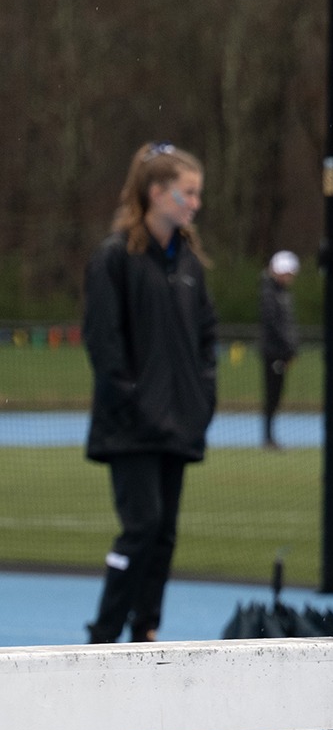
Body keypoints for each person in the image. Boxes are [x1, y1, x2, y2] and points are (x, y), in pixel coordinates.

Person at [81, 142, 218, 643]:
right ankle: (104, 632)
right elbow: (103, 342)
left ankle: (146, 628)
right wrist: (134, 400)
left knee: (163, 536)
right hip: (132, 426)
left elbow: (206, 339)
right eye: (188, 193)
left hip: (178, 424)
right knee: (141, 527)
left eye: (197, 194)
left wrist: (202, 400)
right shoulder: (114, 259)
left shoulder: (190, 265)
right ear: (157, 193)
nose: (194, 203)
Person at [258, 250, 299, 450]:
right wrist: (288, 345)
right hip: (273, 352)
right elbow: (274, 324)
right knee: (272, 394)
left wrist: (292, 348)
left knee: (277, 394)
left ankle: (270, 437)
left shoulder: (282, 294)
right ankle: (267, 438)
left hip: (282, 352)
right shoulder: (270, 294)